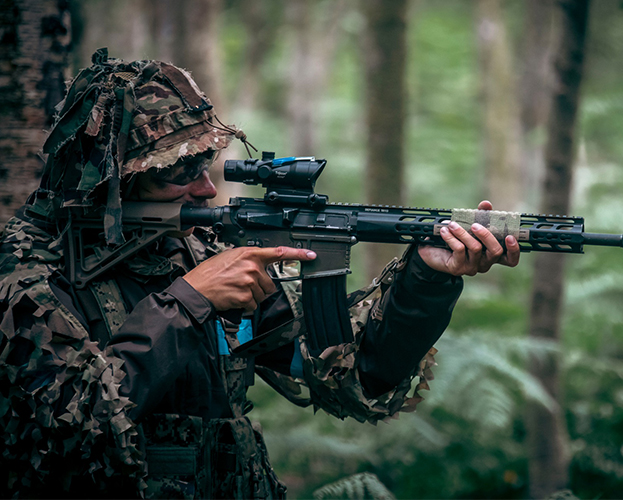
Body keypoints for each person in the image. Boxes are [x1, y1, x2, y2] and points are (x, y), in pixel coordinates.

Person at [0, 50, 519, 499]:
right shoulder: (25, 278)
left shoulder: (195, 252)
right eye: (179, 173)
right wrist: (187, 302)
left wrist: (426, 279)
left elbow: (351, 374)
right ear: (108, 184)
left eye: (205, 164)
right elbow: (67, 430)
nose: (207, 189)